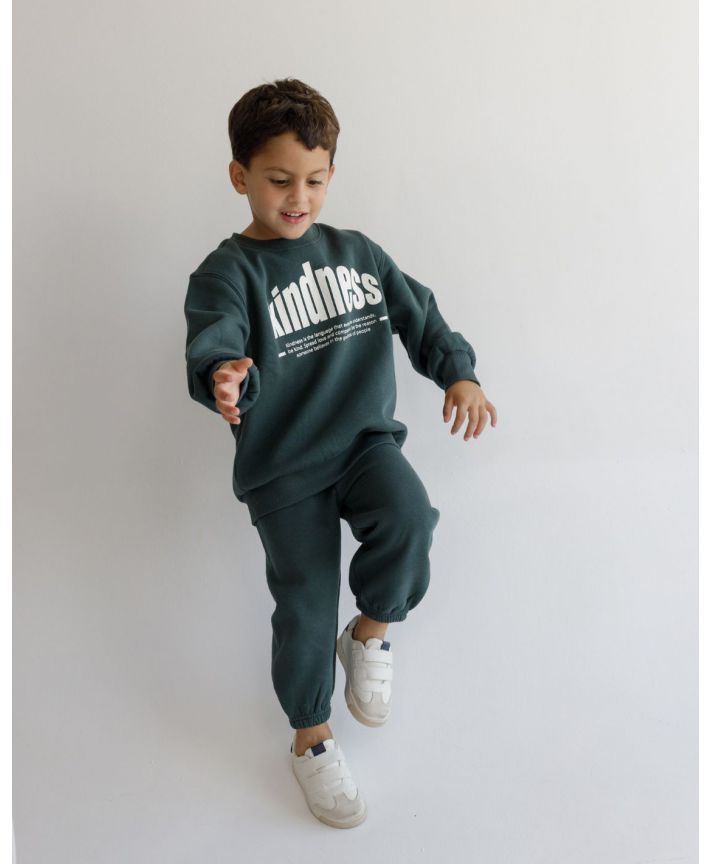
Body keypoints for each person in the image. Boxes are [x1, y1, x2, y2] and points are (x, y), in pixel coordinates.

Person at [184, 78, 498, 829]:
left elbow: (420, 314)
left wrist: (457, 372)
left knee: (410, 519)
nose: (299, 198)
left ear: (331, 174)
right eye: (279, 180)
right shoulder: (227, 271)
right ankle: (311, 739)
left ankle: (369, 633)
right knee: (303, 604)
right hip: (283, 469)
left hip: (362, 445)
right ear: (239, 177)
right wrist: (223, 375)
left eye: (315, 180)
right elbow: (215, 338)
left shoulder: (357, 254)